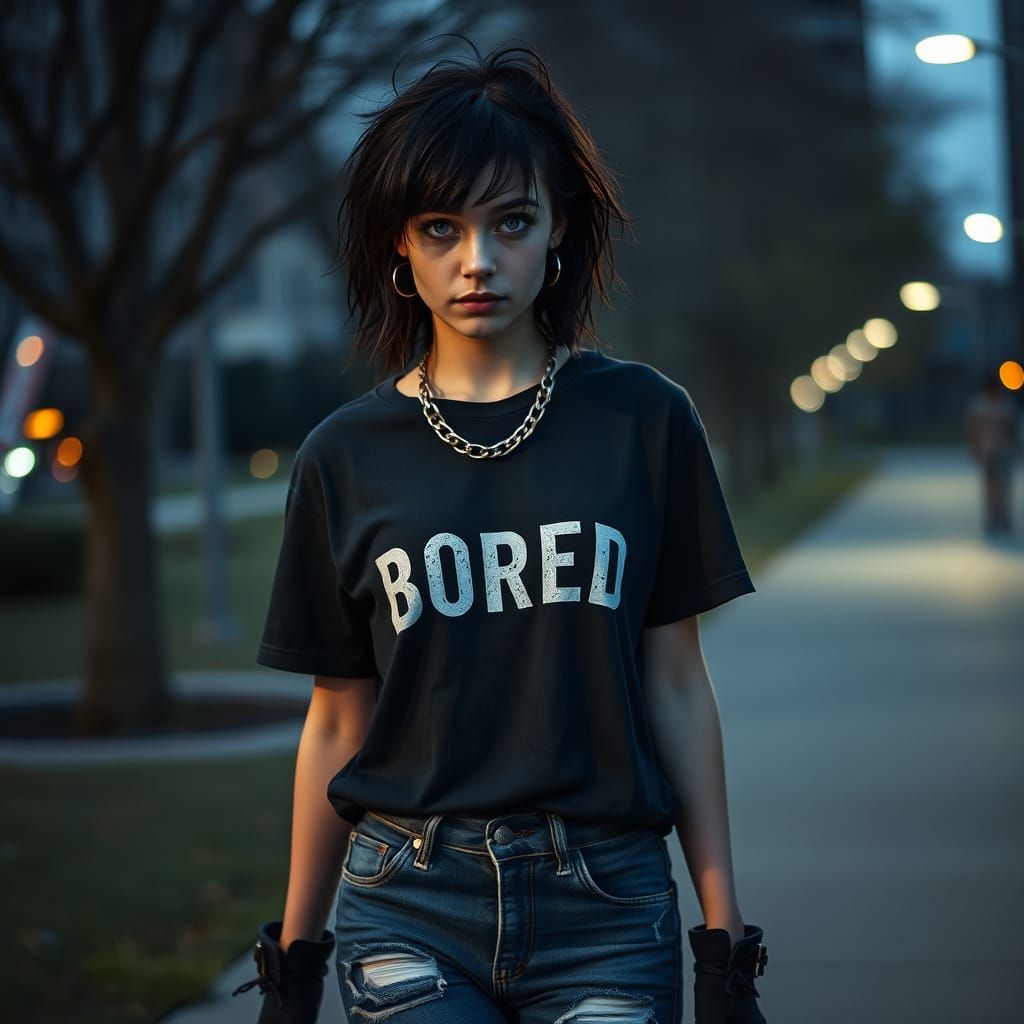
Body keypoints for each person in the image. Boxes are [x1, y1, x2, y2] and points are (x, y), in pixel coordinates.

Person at [232, 37, 768, 1024]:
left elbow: (678, 685)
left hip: (606, 898)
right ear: (400, 242)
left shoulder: (644, 422)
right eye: (441, 227)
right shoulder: (343, 456)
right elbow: (339, 719)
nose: (476, 260)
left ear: (556, 226)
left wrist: (724, 939)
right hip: (407, 899)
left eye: (509, 222)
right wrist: (295, 956)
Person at [965, 371, 1021, 537]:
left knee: (1003, 485)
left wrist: (1017, 446)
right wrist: (974, 448)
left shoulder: (1005, 405)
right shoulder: (979, 405)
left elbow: (1012, 428)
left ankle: (1003, 515)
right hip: (987, 451)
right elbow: (973, 429)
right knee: (990, 486)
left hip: (1004, 450)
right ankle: (992, 517)